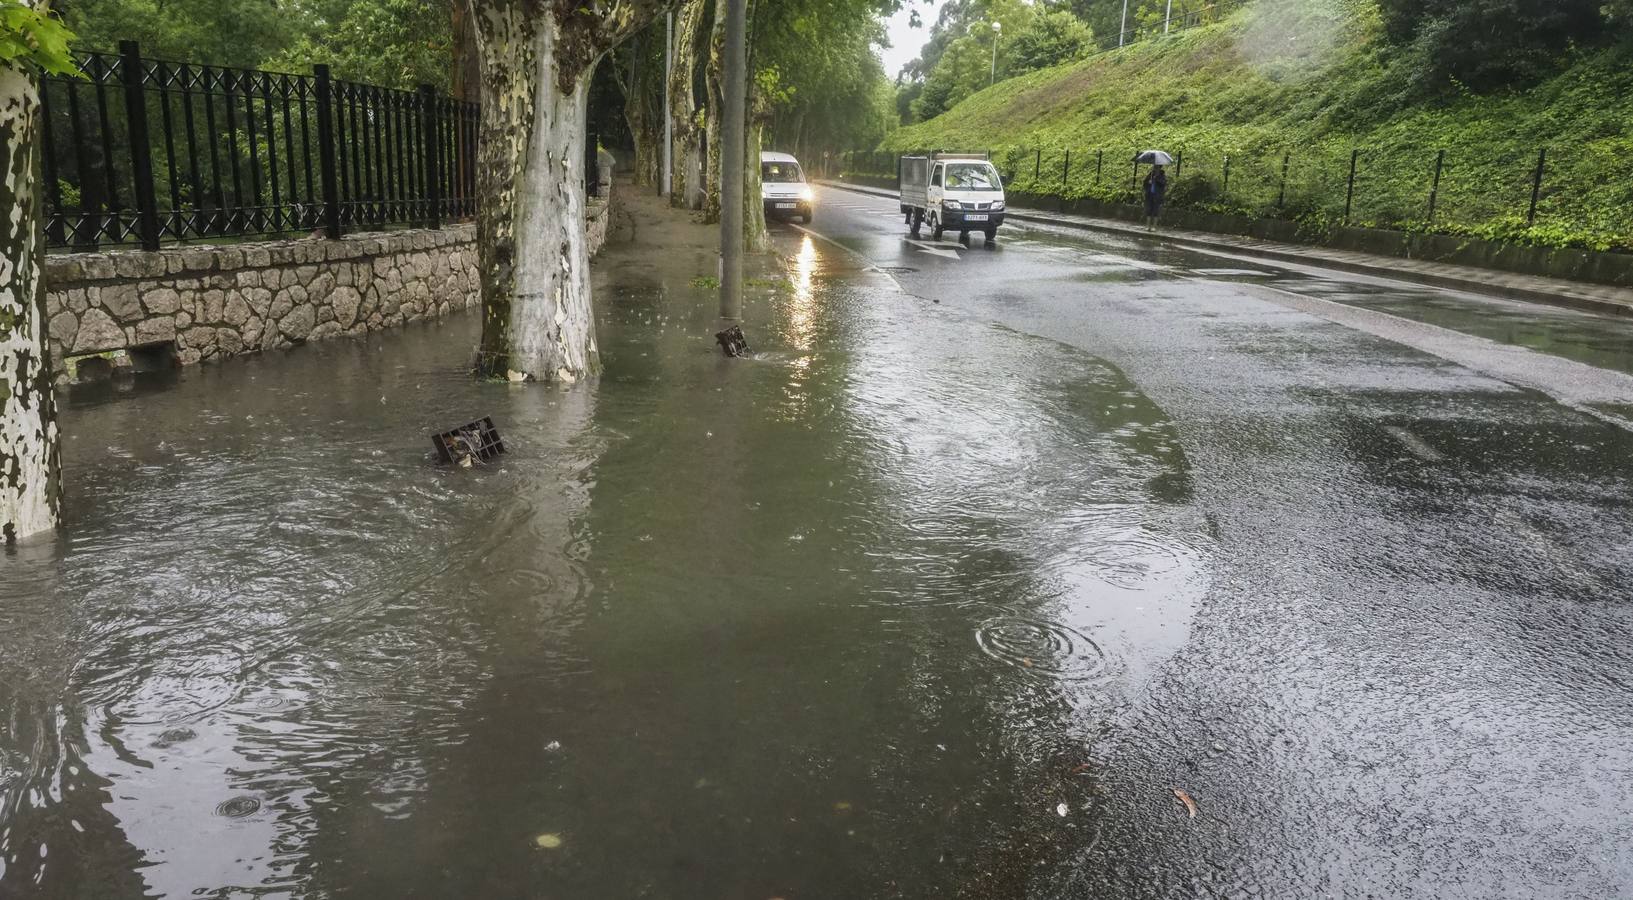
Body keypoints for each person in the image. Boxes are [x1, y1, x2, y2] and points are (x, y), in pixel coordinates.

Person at [1143, 164, 1168, 231]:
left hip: (1157, 196)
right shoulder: (1150, 174)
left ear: (1159, 168)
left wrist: (1156, 179)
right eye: (1154, 167)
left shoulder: (1162, 175)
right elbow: (1144, 183)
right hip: (1150, 195)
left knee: (1156, 211)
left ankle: (1154, 226)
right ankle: (1147, 226)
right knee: (1149, 210)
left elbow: (1163, 183)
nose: (1155, 169)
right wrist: (1148, 182)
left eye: (1156, 167)